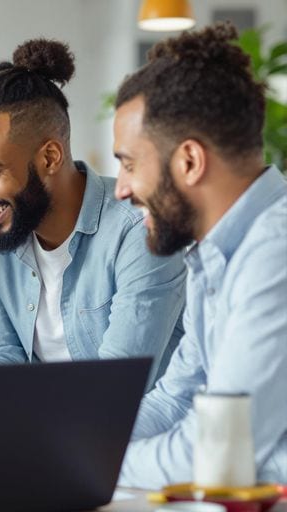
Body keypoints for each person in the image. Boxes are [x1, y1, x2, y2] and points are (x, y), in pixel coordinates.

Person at [0, 39, 186, 454]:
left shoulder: (137, 230)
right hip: (48, 446)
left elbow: (114, 388)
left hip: (138, 454)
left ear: (50, 156)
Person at [112, 23, 287, 488]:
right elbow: (176, 399)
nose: (122, 189)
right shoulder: (212, 256)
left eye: (129, 164)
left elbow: (219, 454)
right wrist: (72, 440)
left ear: (189, 161)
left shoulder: (276, 254)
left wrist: (82, 464)